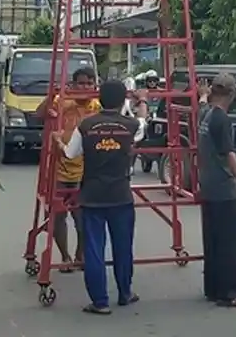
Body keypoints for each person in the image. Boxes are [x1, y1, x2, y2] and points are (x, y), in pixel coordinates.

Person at [58, 79, 147, 315]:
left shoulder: (86, 126)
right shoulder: (130, 126)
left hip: (92, 195)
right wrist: (143, 101)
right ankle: (125, 293)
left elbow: (70, 154)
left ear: (100, 97)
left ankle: (100, 301)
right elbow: (142, 123)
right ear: (122, 101)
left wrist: (58, 141)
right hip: (121, 195)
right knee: (123, 247)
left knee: (94, 249)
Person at [197, 73, 236, 308]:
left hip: (207, 185)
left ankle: (213, 289)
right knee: (230, 243)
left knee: (213, 241)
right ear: (232, 93)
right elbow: (229, 153)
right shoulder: (221, 119)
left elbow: (202, 105)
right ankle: (230, 292)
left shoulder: (206, 114)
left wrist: (202, 95)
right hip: (223, 187)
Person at [48, 66, 101, 272]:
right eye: (81, 83)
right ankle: (65, 256)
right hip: (60, 168)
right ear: (73, 84)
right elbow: (41, 113)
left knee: (82, 217)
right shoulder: (62, 102)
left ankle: (80, 254)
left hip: (85, 170)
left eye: (89, 83)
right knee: (59, 215)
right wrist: (50, 98)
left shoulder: (97, 106)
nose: (85, 87)